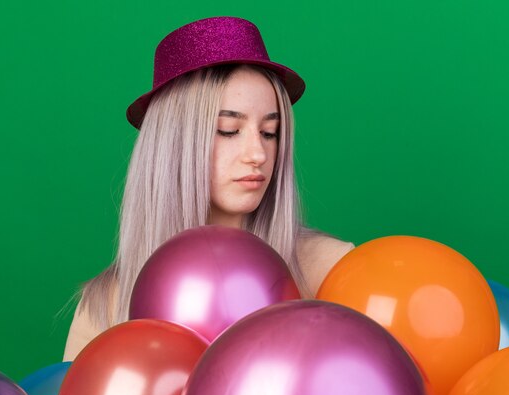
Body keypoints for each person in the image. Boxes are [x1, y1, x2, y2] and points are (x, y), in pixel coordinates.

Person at [63, 16, 354, 360]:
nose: (258, 154)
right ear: (175, 144)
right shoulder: (105, 306)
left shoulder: (335, 272)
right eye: (229, 130)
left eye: (270, 133)